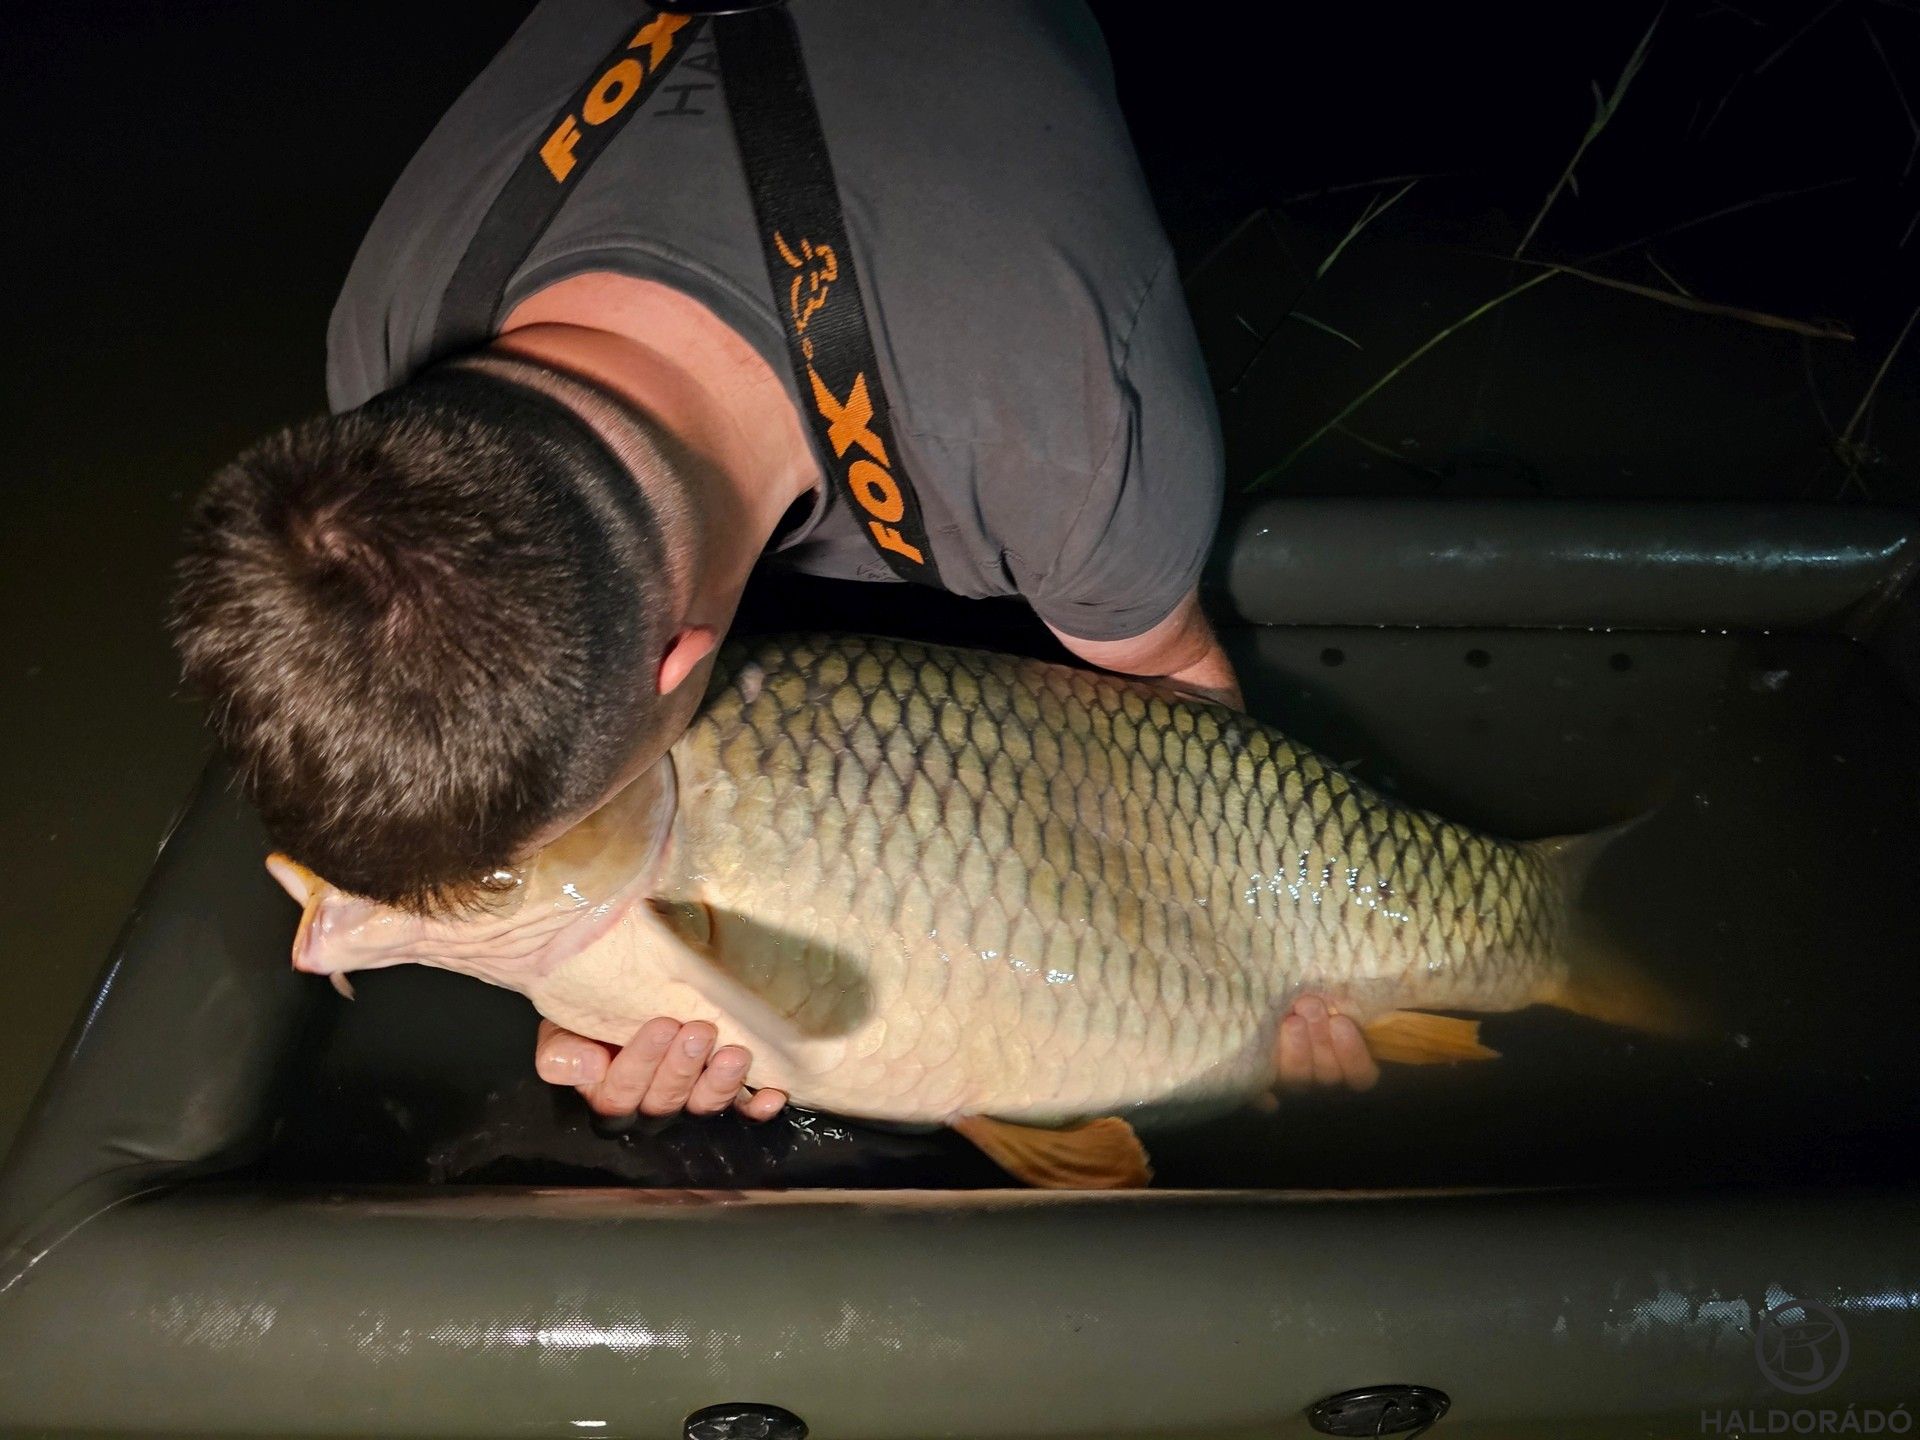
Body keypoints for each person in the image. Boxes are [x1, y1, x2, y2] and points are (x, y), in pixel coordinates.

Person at [171, 0, 1377, 1130]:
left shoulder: (1061, 453)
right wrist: (596, 981)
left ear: (679, 662)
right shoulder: (381, 356)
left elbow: (1184, 728)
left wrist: (1240, 987)